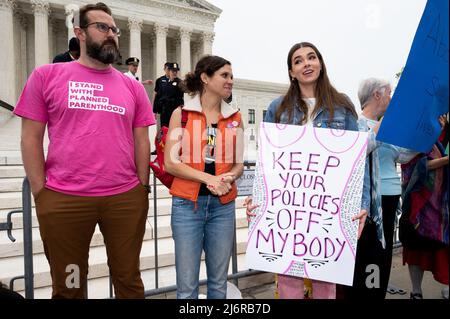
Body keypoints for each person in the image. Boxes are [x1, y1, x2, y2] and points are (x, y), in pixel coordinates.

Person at [13, 2, 155, 299]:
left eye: (114, 29)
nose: (111, 34)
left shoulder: (132, 87)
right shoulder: (47, 76)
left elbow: (142, 139)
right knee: (70, 284)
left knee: (128, 279)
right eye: (102, 27)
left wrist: (141, 188)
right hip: (66, 200)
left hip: (124, 200)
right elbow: (30, 138)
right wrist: (42, 193)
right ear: (79, 32)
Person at [245, 42, 366, 299]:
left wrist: (361, 204)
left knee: (326, 281)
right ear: (291, 71)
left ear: (320, 64)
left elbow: (357, 162)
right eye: (298, 61)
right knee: (288, 279)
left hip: (327, 207)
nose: (306, 64)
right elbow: (268, 160)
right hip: (289, 208)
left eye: (311, 58)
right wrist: (258, 199)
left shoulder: (342, 106)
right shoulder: (277, 108)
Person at [164, 55, 244, 299]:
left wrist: (229, 177)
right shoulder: (182, 114)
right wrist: (208, 179)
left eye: (231, 75)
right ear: (205, 78)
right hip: (187, 206)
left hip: (223, 207)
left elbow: (238, 164)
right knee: (187, 287)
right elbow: (170, 162)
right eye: (224, 75)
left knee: (219, 285)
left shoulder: (235, 118)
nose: (230, 80)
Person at [343, 78, 417, 299]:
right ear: (377, 95)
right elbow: (359, 151)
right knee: (370, 257)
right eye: (389, 93)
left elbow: (402, 154)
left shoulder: (388, 126)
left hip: (391, 199)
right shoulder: (355, 124)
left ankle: (377, 294)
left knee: (382, 256)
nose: (391, 99)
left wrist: (424, 138)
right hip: (371, 204)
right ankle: (368, 295)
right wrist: (386, 123)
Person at [400, 115, 449, 299]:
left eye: (443, 118)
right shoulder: (416, 138)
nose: (442, 121)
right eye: (439, 118)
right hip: (417, 205)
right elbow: (415, 167)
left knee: (439, 247)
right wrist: (446, 160)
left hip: (437, 205)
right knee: (415, 248)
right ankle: (416, 291)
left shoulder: (436, 140)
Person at [159, 62, 184, 128]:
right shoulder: (165, 82)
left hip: (175, 112)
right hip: (165, 113)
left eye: (176, 71)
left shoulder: (180, 82)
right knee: (164, 131)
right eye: (173, 71)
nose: (175, 73)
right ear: (169, 71)